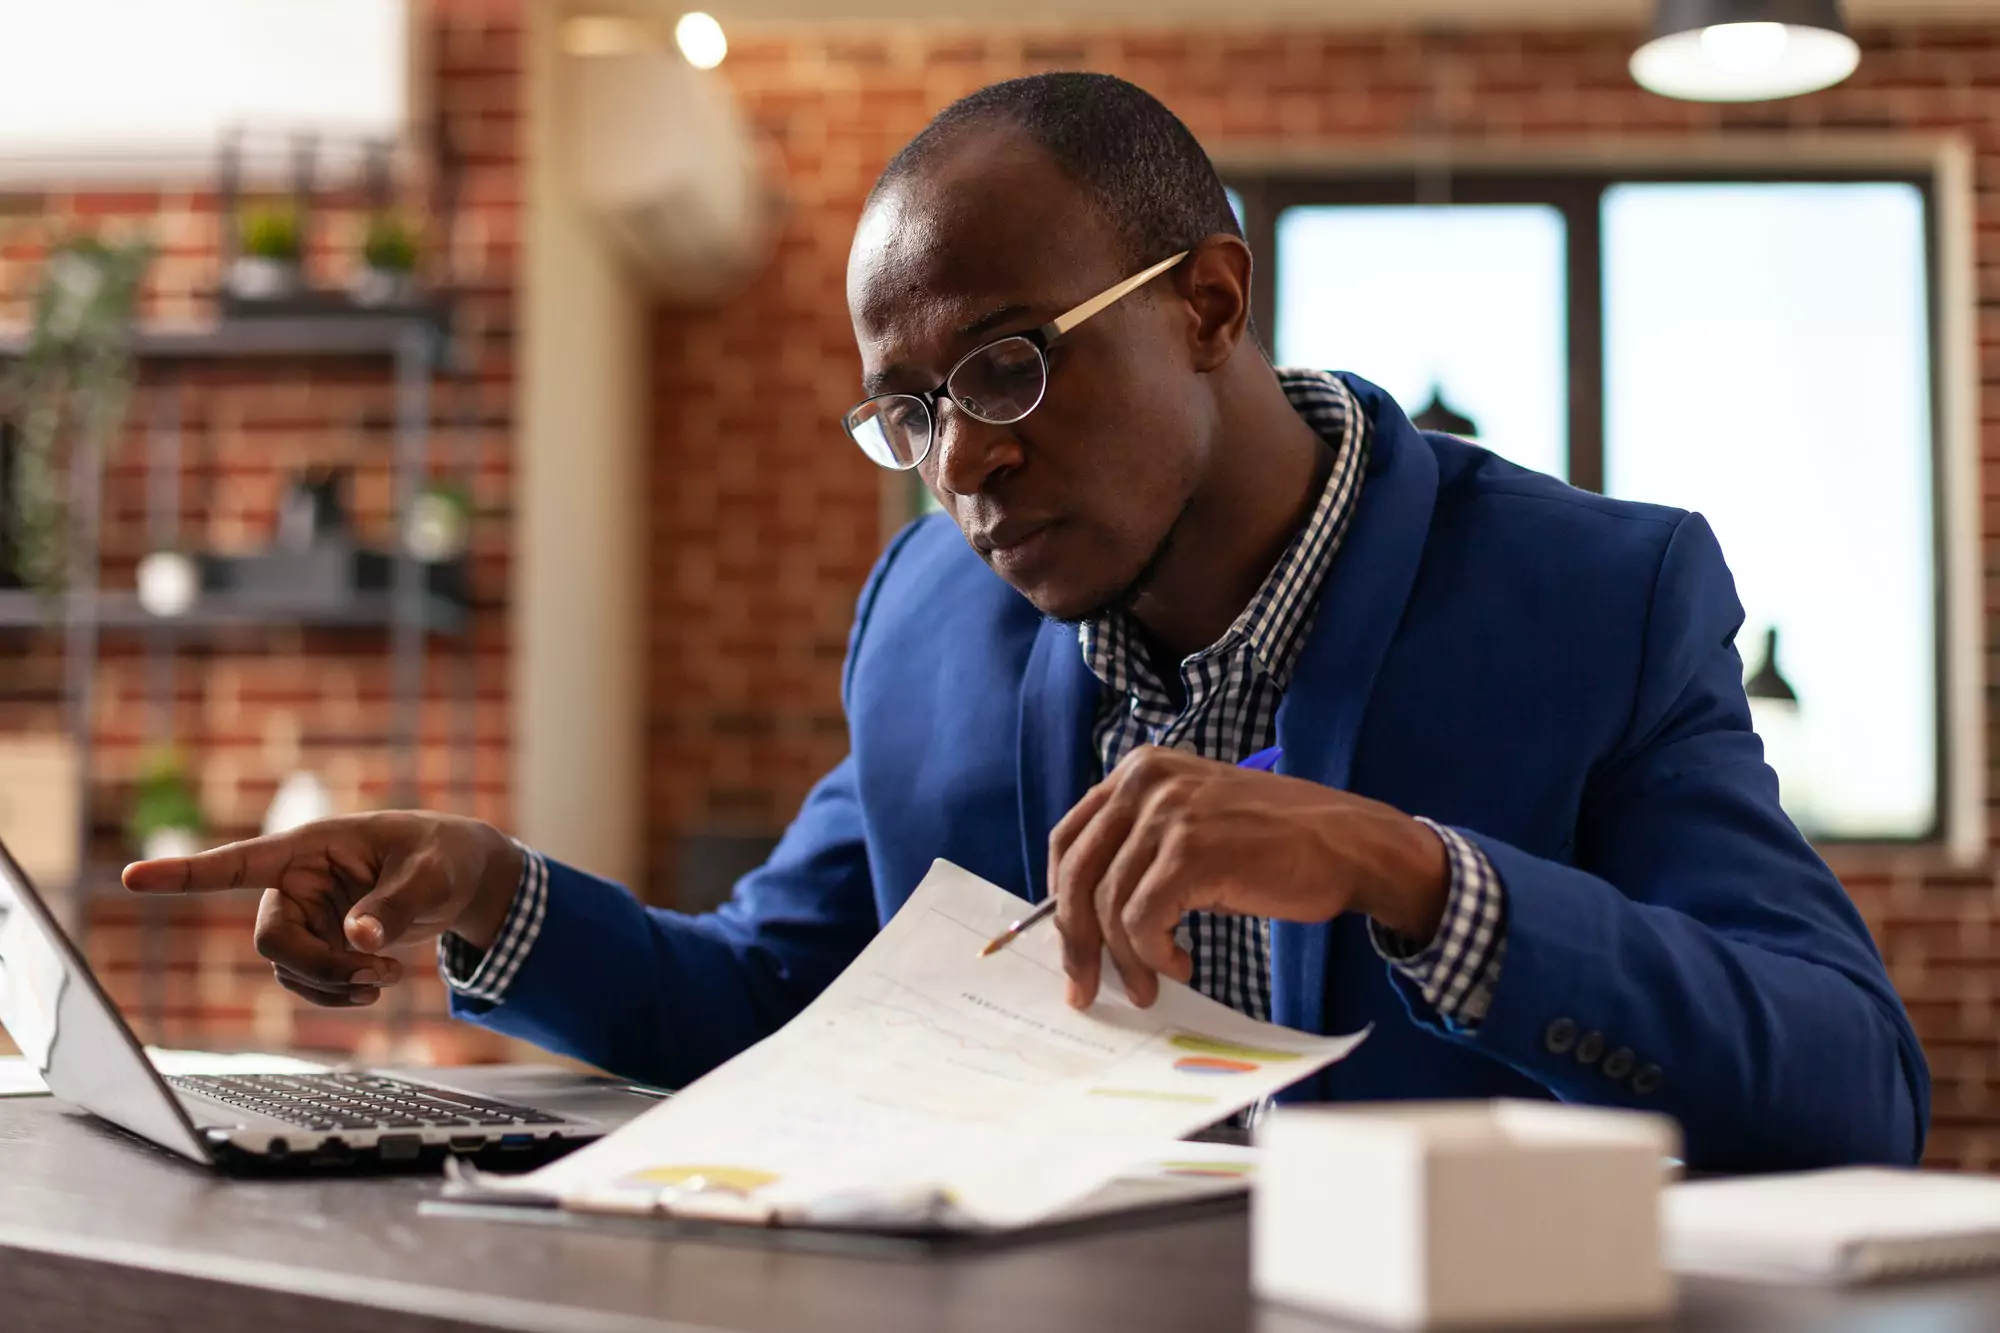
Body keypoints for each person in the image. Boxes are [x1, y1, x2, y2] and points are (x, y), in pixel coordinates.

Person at [125, 73, 1927, 1172]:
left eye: (1007, 367)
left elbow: (1856, 1089)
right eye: (907, 414)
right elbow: (777, 997)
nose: (961, 465)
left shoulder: (1593, 598)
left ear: (1210, 300)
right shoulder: (927, 620)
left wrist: (1408, 874)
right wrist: (493, 892)